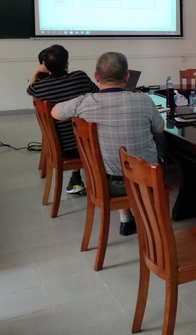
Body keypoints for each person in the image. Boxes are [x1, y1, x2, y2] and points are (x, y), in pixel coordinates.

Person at [51, 52, 165, 236]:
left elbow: (55, 113)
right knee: (159, 137)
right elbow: (160, 128)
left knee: (114, 151)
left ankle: (126, 219)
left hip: (108, 181)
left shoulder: (84, 102)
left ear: (96, 77)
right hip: (144, 179)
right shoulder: (143, 99)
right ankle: (149, 216)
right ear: (127, 77)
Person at [27, 44, 98, 194]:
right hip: (84, 144)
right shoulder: (79, 77)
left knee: (74, 128)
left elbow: (29, 89)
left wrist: (36, 71)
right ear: (67, 63)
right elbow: (98, 95)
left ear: (44, 65)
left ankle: (76, 179)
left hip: (62, 146)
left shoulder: (40, 87)